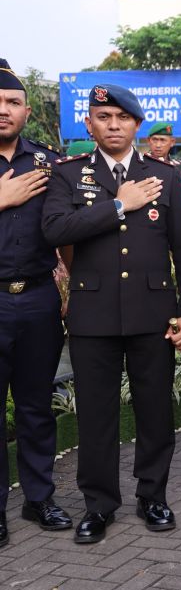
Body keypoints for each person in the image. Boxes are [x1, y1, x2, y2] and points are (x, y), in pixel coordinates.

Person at [42, 83, 181, 544]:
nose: (113, 125)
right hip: (92, 314)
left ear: (136, 123)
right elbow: (54, 229)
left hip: (154, 312)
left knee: (156, 410)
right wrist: (118, 205)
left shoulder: (166, 174)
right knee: (96, 416)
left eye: (122, 118)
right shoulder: (68, 174)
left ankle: (153, 495)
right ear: (90, 124)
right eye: (104, 117)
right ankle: (99, 505)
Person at [0, 60, 73, 543]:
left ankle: (39, 499)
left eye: (12, 103)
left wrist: (72, 284)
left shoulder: (48, 163)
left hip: (39, 300)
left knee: (34, 405)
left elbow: (68, 232)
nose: (3, 111)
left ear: (28, 111)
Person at [144, 122, 181, 203]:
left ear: (172, 142)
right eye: (155, 140)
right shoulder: (140, 163)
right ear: (148, 141)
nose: (158, 145)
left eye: (163, 140)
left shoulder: (179, 165)